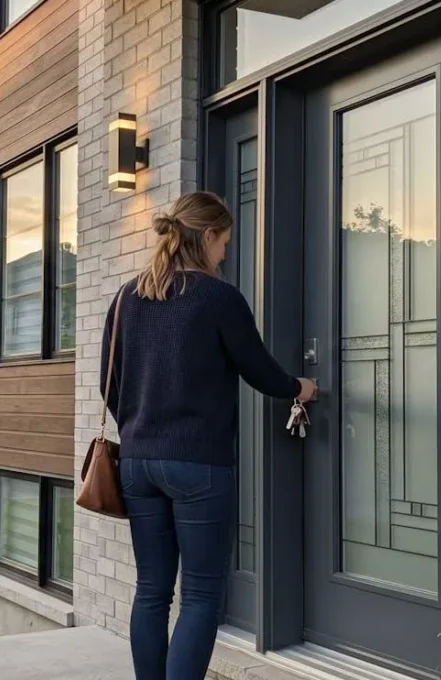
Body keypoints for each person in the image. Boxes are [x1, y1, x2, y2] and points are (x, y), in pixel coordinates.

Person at [101, 191, 318, 680]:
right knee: (200, 594)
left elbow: (108, 383)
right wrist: (300, 388)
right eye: (225, 241)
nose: (226, 252)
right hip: (198, 465)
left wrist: (141, 426)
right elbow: (258, 370)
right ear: (208, 237)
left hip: (136, 463)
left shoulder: (125, 297)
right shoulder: (218, 297)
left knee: (152, 590)